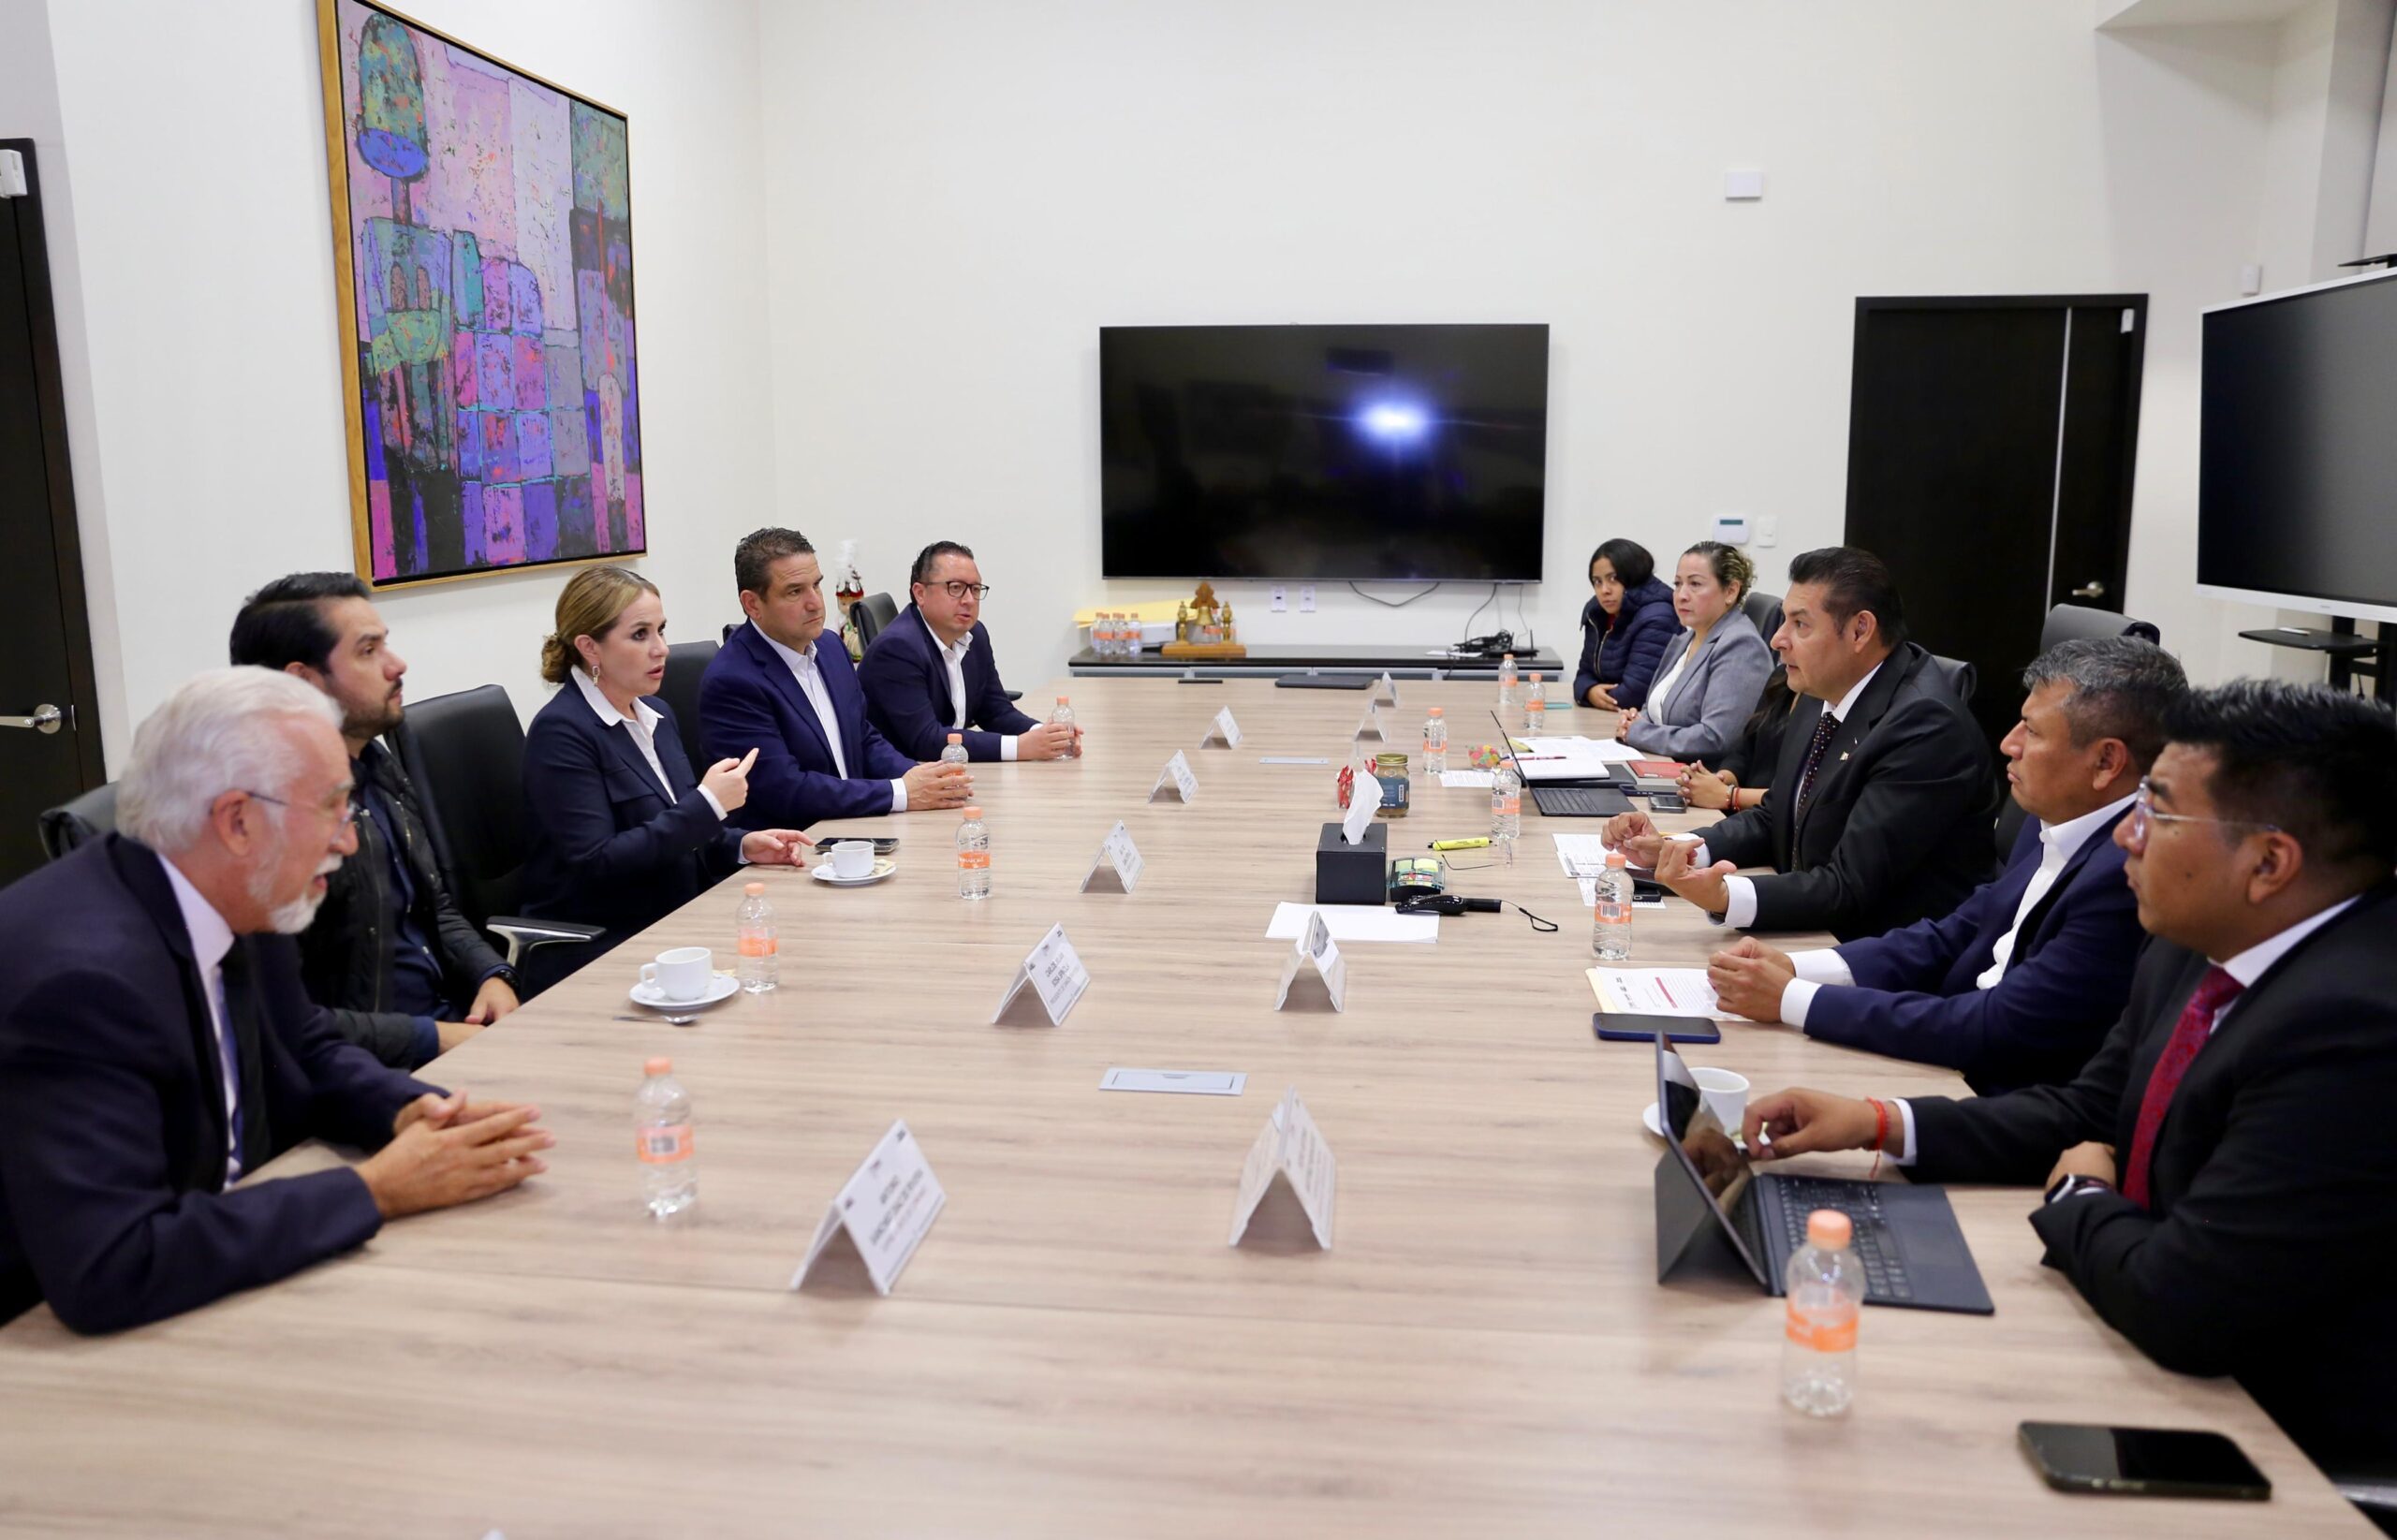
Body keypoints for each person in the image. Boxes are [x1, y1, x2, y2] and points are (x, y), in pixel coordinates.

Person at [1742, 681, 2397, 1478]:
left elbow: (2179, 1298)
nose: (2125, 834)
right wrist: (1879, 1120)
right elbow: (2087, 1111)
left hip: (2272, 1442)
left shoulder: (2354, 1028)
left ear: (2268, 862)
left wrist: (2078, 1193)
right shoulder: (2199, 939)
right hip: (2130, 1332)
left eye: (2158, 812)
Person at [0, 668, 555, 1334]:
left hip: (220, 1263)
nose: (349, 840)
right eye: (332, 808)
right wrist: (375, 1189)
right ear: (238, 821)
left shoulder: (237, 891)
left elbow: (304, 1048)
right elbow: (112, 1264)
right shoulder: (81, 984)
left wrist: (409, 1112)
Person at [1708, 638, 2184, 1093]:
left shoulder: (2125, 875)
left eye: (2033, 731)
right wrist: (1795, 968)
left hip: (1987, 1092)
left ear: (2106, 763)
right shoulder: (2057, 820)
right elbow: (1954, 933)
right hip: (1947, 1047)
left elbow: (1998, 1025)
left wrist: (1794, 999)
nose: (2009, 744)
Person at [1604, 546, 1994, 940]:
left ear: (1860, 630)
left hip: (1879, 951)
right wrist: (1680, 849)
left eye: (1800, 624)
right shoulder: (1820, 689)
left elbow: (1849, 885)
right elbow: (1776, 816)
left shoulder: (1925, 726)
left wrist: (1725, 896)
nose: (1778, 639)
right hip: (1812, 928)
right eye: (1784, 620)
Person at [229, 573, 516, 1069]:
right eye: (368, 651)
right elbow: (282, 1020)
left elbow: (434, 908)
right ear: (304, 682)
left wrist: (491, 974)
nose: (397, 664)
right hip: (372, 1071)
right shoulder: (267, 821)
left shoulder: (376, 764)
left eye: (386, 644)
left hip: (450, 1030)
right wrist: (432, 1038)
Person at [519, 566, 811, 993]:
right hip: (608, 945)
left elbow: (678, 834)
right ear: (589, 647)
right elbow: (598, 863)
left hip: (677, 922)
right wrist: (709, 805)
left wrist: (742, 845)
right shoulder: (561, 732)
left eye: (661, 631)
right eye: (640, 635)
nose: (661, 649)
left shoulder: (657, 715)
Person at [699, 527, 973, 827]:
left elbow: (863, 737)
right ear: (752, 604)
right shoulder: (733, 681)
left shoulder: (830, 647)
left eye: (816, 585)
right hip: (794, 842)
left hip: (852, 824)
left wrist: (919, 777)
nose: (815, 603)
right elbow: (785, 790)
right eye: (794, 591)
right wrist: (901, 792)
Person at [858, 540, 1080, 762]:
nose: (969, 600)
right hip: (906, 774)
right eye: (955, 588)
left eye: (975, 589)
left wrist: (1047, 735)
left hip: (951, 770)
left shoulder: (975, 635)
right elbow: (926, 740)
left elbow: (995, 711)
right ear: (920, 593)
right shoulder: (897, 648)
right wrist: (1020, 747)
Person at [1610, 541, 1773, 762]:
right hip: (1659, 763)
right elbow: (1655, 707)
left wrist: (1639, 732)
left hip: (1697, 776)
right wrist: (1635, 719)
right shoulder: (1685, 639)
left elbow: (1715, 738)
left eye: (1695, 584)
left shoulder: (1741, 646)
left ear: (1731, 591)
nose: (1681, 595)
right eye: (1678, 584)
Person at [1678, 665, 1797, 814]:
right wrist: (1718, 780)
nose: (1782, 653)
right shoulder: (1782, 675)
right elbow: (1745, 751)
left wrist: (1729, 795)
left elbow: (1797, 798)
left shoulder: (1822, 707)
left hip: (1769, 820)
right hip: (1748, 815)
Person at [1573, 539, 1676, 711]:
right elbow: (1584, 675)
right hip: (1612, 717)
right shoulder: (1597, 613)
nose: (1604, 590)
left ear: (1633, 576)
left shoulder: (1658, 616)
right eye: (1597, 581)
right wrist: (1589, 691)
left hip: (1644, 719)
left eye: (1613, 579)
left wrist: (1591, 695)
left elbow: (1635, 694)